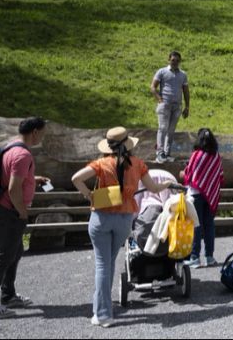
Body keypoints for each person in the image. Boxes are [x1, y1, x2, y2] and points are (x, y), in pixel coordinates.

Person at [71, 127, 174, 327]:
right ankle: (103, 308)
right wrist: (167, 183)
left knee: (103, 265)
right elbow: (152, 188)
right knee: (109, 263)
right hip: (124, 219)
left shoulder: (101, 163)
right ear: (127, 144)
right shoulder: (138, 164)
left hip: (101, 217)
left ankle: (102, 314)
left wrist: (89, 195)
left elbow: (76, 178)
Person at [0, 117, 51, 320]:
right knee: (4, 256)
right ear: (34, 132)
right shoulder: (23, 155)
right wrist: (22, 212)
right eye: (42, 134)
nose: (42, 138)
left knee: (15, 250)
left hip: (4, 210)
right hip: (9, 212)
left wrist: (32, 179)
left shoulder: (11, 146)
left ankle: (8, 295)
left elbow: (10, 176)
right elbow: (12, 188)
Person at [181, 128, 224, 268]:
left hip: (195, 194)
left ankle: (194, 257)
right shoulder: (216, 156)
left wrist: (182, 173)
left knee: (196, 225)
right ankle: (209, 257)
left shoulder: (196, 155)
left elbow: (188, 174)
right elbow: (220, 176)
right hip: (210, 194)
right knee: (209, 225)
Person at [151, 51, 190, 164]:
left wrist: (187, 107)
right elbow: (153, 87)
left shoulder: (183, 75)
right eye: (173, 60)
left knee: (171, 131)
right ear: (169, 60)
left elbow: (186, 91)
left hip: (177, 106)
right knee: (162, 128)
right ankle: (159, 153)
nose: (175, 62)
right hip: (165, 105)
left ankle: (167, 153)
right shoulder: (162, 71)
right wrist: (159, 99)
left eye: (177, 61)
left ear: (180, 62)